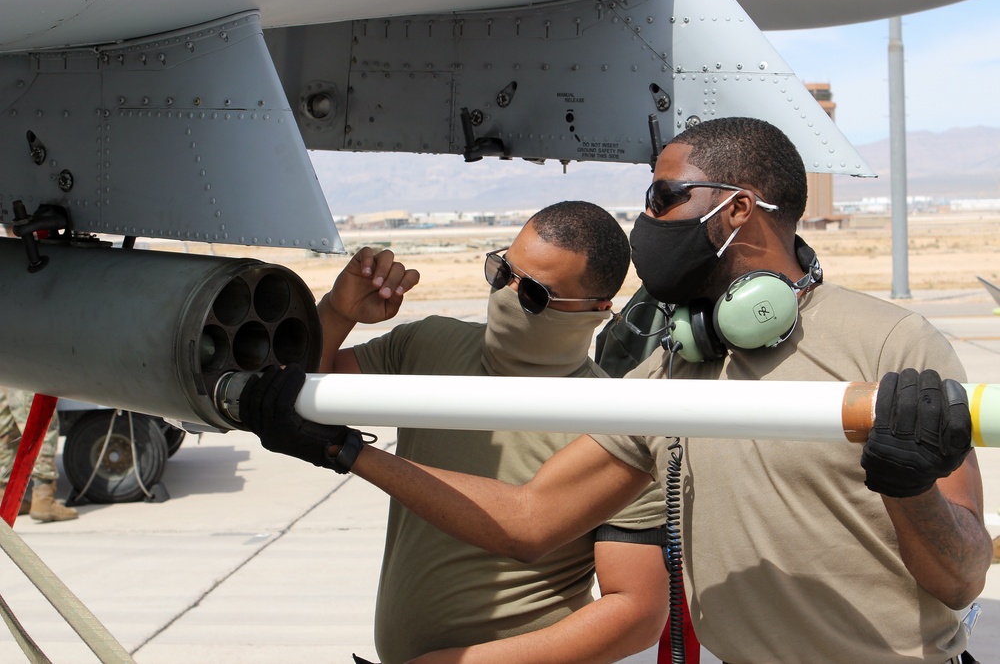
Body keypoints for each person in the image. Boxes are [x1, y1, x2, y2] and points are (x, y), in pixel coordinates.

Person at [244, 118, 993, 663]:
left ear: (737, 208)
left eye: (663, 196)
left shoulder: (892, 346)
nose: (645, 218)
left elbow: (960, 577)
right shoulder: (672, 373)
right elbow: (531, 518)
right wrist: (345, 451)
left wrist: (909, 487)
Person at [310, 201, 668, 663]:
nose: (505, 293)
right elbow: (300, 396)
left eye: (534, 294)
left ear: (597, 309)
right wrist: (338, 312)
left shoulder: (615, 427)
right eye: (501, 271)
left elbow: (635, 612)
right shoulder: (427, 346)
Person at [0, 387, 79, 522]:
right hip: (24, 371)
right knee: (40, 425)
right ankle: (43, 498)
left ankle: (4, 496)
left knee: (6, 429)